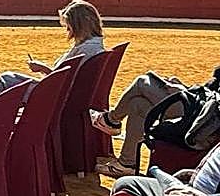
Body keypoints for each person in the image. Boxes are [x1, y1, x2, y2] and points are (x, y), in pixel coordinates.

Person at [92, 67, 220, 178]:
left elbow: (213, 103)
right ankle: (127, 163)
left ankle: (111, 120)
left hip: (199, 121)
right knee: (139, 105)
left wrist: (183, 91)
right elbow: (210, 91)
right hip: (198, 112)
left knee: (142, 81)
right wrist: (187, 88)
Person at [0, 0, 105, 105]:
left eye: (69, 27)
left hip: (55, 96)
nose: (68, 32)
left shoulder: (86, 49)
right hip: (62, 93)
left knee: (6, 80)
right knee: (8, 78)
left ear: (78, 27)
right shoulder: (94, 46)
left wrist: (42, 68)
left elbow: (63, 80)